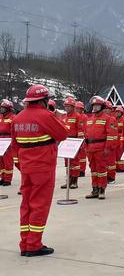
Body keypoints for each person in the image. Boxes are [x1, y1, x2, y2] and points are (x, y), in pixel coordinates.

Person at [11, 84, 68, 257]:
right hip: (42, 167)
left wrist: (20, 165)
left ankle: (25, 243)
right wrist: (60, 117)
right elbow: (63, 134)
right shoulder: (46, 115)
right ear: (43, 100)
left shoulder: (18, 118)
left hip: (26, 167)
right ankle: (34, 245)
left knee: (26, 205)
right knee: (39, 205)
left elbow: (15, 145)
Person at [84, 96, 117, 200]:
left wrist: (107, 148)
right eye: (94, 105)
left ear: (102, 107)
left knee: (101, 170)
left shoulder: (108, 119)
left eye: (97, 105)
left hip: (101, 148)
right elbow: (86, 134)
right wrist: (85, 147)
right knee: (93, 170)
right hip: (90, 148)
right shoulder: (89, 119)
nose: (95, 107)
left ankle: (102, 189)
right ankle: (95, 189)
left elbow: (111, 135)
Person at [60, 96, 83, 190]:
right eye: (66, 106)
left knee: (75, 162)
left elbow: (81, 130)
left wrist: (80, 142)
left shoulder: (78, 116)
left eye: (69, 106)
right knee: (67, 163)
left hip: (74, 141)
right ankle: (68, 181)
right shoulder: (63, 117)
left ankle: (74, 181)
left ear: (73, 107)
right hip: (65, 141)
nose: (67, 108)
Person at [0, 99, 15, 186]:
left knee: (7, 160)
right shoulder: (0, 117)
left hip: (8, 140)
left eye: (3, 108)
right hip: (0, 139)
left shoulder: (12, 118)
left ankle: (8, 179)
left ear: (8, 109)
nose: (1, 109)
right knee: (1, 160)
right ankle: (2, 177)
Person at [75, 101, 87, 176]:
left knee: (82, 156)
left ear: (81, 109)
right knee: (77, 156)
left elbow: (86, 129)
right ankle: (77, 170)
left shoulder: (84, 117)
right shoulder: (75, 116)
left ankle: (82, 171)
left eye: (78, 108)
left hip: (83, 139)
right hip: (76, 139)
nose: (76, 110)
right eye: (76, 108)